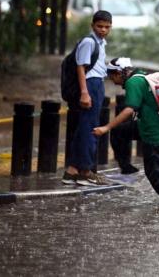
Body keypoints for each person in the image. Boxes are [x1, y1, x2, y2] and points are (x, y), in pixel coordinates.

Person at [93, 58, 159, 207]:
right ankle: (127, 168)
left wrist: (106, 127)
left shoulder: (133, 83)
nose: (113, 81)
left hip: (154, 134)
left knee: (155, 175)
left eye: (112, 77)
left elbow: (129, 109)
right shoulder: (141, 75)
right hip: (147, 127)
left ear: (119, 73)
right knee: (119, 132)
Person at [61, 10, 112, 186]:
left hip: (97, 84)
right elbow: (80, 68)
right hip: (90, 85)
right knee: (88, 129)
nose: (103, 30)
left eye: (107, 27)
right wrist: (84, 92)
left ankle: (73, 171)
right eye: (100, 26)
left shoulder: (101, 43)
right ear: (92, 25)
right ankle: (84, 171)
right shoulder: (88, 42)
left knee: (86, 127)